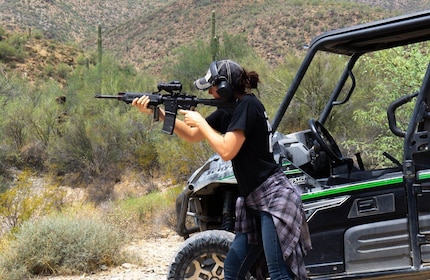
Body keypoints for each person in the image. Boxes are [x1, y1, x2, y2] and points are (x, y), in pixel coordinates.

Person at [132, 59, 311, 280]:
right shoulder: (232, 110)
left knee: (279, 273)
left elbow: (227, 150)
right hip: (253, 200)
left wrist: (201, 122)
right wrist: (158, 113)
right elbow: (192, 135)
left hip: (273, 198)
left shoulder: (248, 106)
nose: (210, 92)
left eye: (213, 87)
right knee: (233, 269)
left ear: (225, 87)